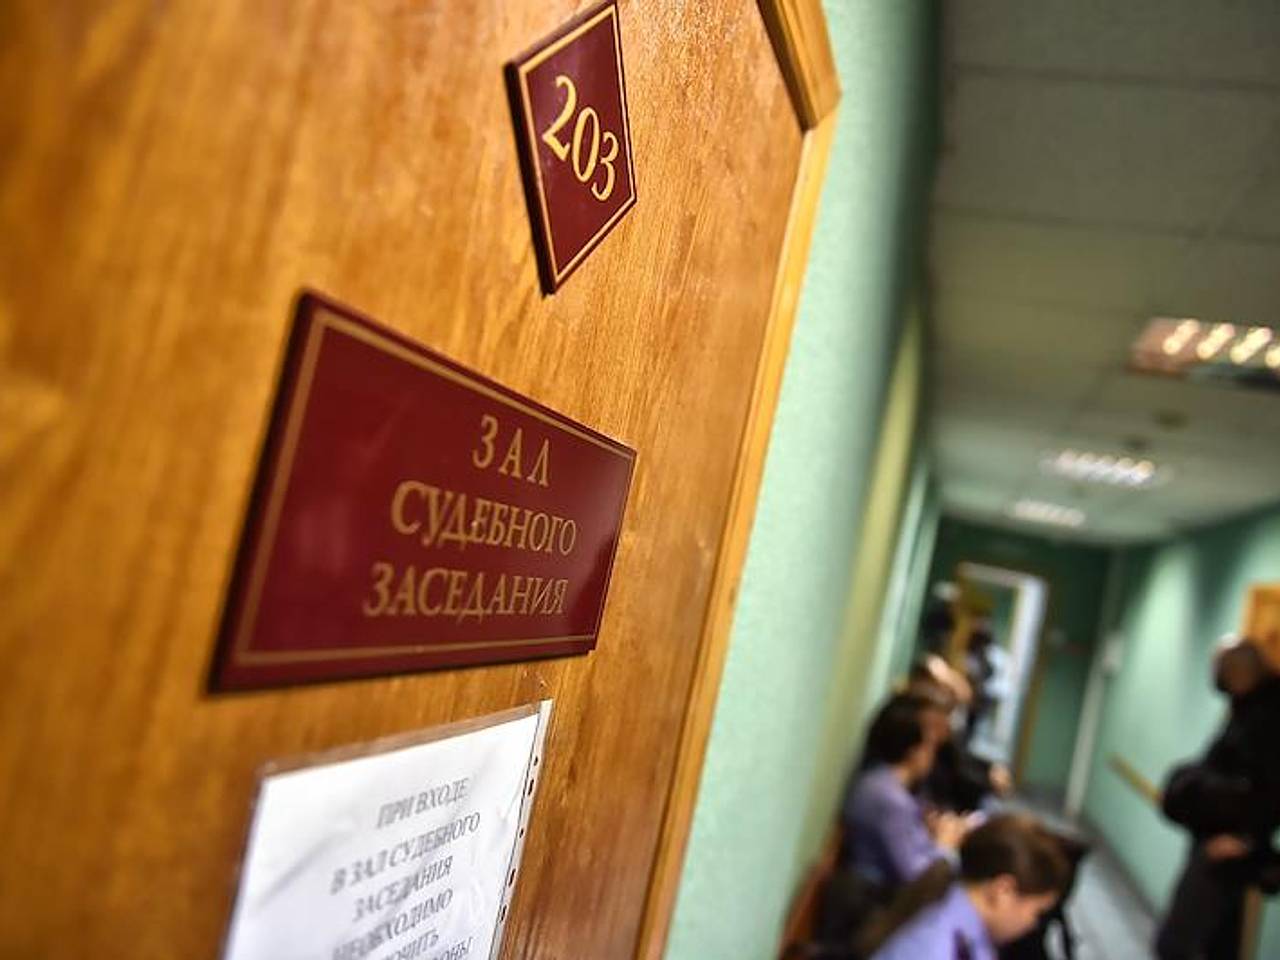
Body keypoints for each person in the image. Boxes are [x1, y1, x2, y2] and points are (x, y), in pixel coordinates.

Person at [1155, 636, 1280, 960]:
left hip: (1226, 849)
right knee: (1217, 944)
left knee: (1178, 945)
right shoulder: (1249, 710)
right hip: (1219, 842)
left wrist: (1247, 840)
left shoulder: (1267, 718)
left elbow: (1270, 789)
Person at [859, 814, 1070, 960]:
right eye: (1037, 912)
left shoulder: (956, 917)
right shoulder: (938, 948)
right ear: (1003, 891)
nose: (1032, 924)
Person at [843, 699, 967, 890]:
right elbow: (916, 877)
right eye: (929, 745)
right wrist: (944, 846)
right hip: (877, 895)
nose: (933, 753)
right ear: (914, 751)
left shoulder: (878, 779)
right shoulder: (890, 799)